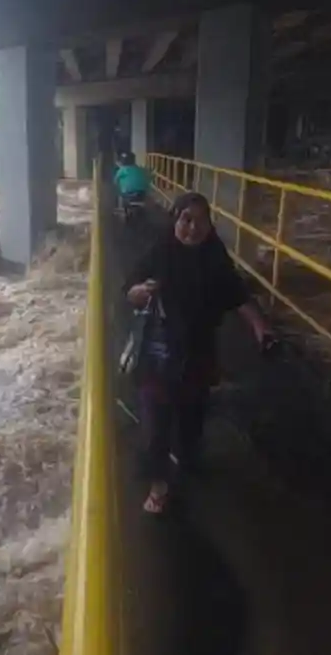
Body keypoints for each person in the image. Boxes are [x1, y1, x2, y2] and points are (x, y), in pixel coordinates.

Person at [124, 191, 270, 514]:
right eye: (186, 219)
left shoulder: (215, 258)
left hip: (198, 357)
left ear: (209, 225)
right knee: (156, 424)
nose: (192, 227)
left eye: (200, 221)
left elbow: (238, 295)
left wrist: (260, 327)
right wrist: (138, 293)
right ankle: (158, 484)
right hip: (158, 356)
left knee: (192, 420)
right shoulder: (159, 253)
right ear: (175, 220)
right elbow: (130, 290)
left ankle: (187, 456)